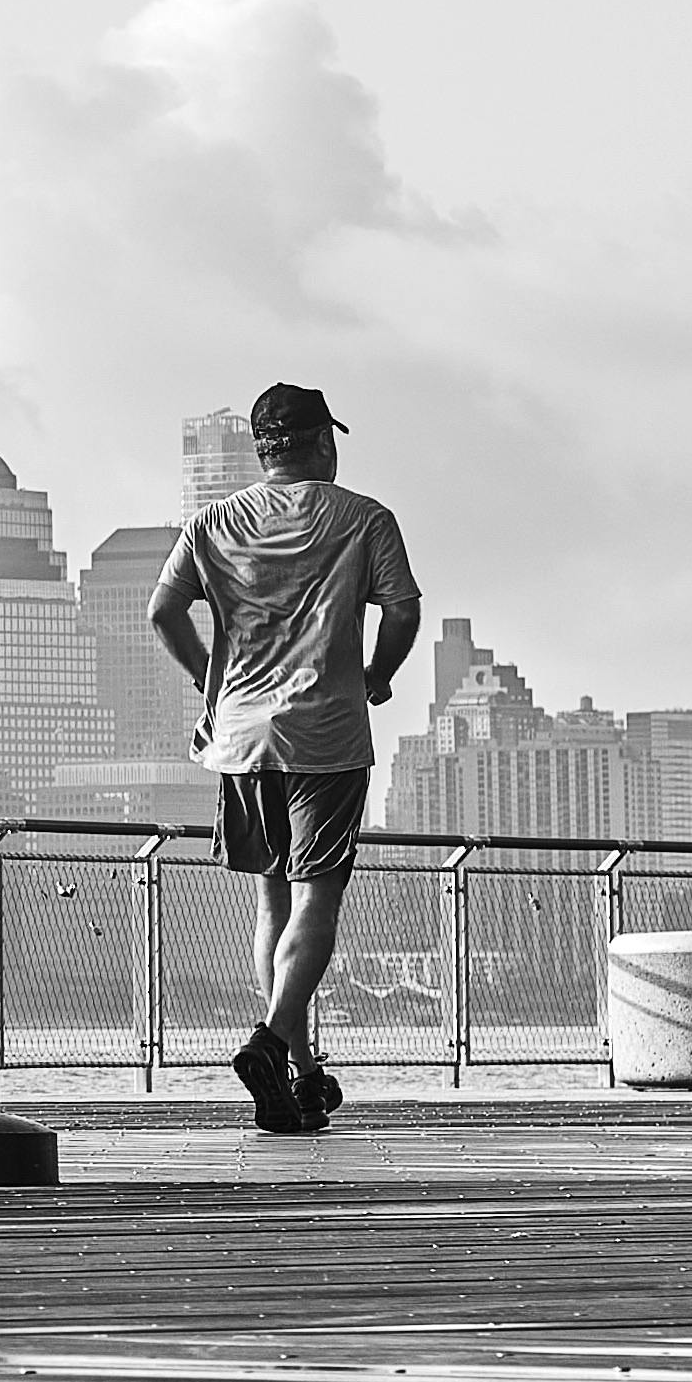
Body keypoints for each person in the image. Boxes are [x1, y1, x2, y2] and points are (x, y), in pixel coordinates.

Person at [148, 384, 420, 1136]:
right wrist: (378, 674)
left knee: (271, 903)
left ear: (263, 448)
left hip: (239, 738)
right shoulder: (363, 518)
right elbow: (401, 608)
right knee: (316, 898)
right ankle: (270, 1044)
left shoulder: (213, 522)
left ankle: (300, 1078)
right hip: (325, 737)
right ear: (322, 443)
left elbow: (161, 610)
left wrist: (210, 678)